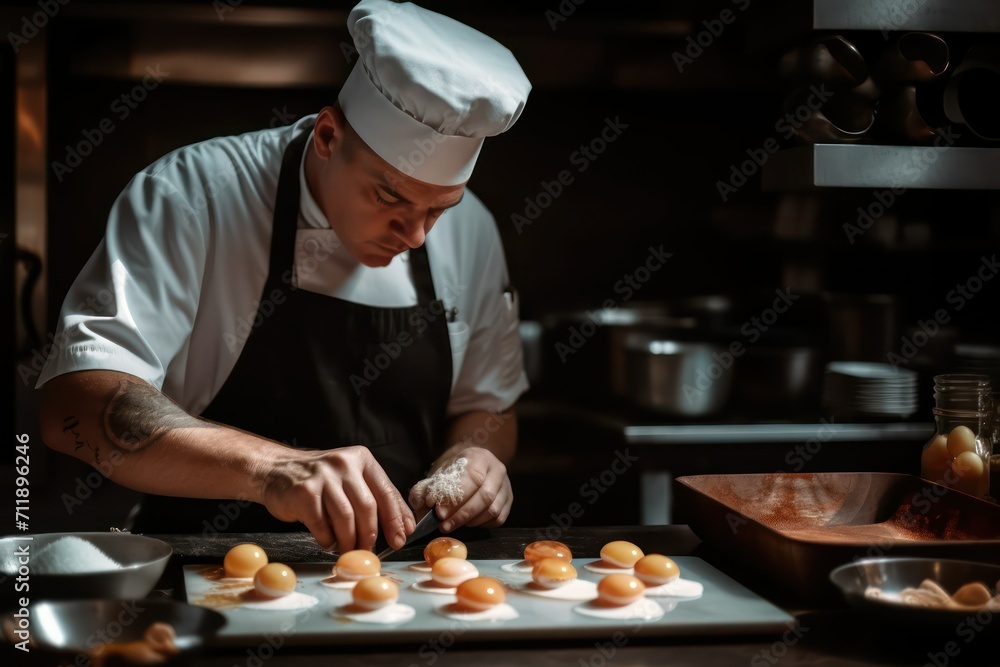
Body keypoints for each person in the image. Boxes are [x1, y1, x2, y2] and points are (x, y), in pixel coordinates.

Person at [37, 0, 531, 554]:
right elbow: (74, 404)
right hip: (207, 567)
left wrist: (471, 458)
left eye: (439, 209)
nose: (416, 235)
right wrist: (272, 468)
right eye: (388, 196)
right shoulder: (192, 195)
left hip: (402, 580)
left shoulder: (474, 231)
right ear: (327, 136)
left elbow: (488, 405)